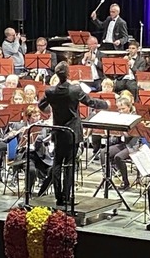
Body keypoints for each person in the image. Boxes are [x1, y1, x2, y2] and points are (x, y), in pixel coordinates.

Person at [38, 61, 109, 206]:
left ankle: (58, 197)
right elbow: (90, 103)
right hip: (72, 132)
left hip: (58, 131)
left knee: (57, 163)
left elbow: (41, 106)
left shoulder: (50, 91)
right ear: (68, 73)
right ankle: (67, 196)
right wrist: (105, 104)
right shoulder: (75, 89)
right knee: (69, 165)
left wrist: (51, 109)